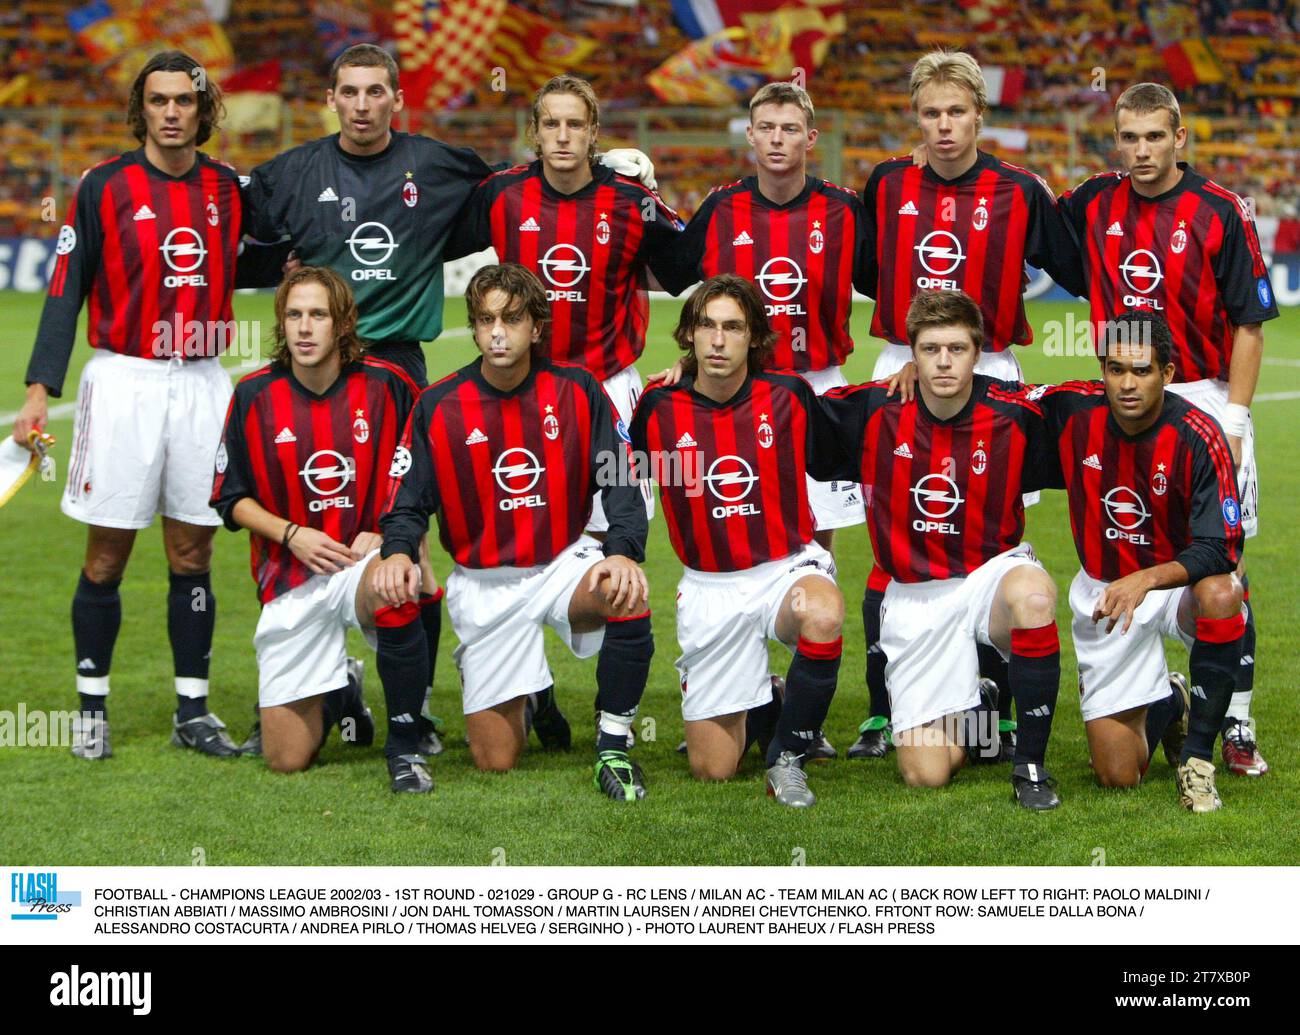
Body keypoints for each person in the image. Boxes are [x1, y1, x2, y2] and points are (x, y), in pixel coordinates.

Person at [244, 45, 654, 753]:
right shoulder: (291, 170)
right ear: (333, 98)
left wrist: (608, 171)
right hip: (311, 370)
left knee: (414, 534)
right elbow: (240, 248)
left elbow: (524, 188)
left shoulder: (438, 164)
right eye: (350, 91)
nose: (364, 103)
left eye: (377, 91)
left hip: (392, 369)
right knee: (319, 514)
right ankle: (324, 675)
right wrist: (278, 269)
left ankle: (421, 708)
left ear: (396, 99)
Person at [10, 50, 285, 761]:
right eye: (158, 100)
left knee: (192, 550)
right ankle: (91, 707)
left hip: (201, 381)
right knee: (107, 551)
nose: (171, 112)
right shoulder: (102, 185)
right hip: (124, 380)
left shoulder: (229, 188)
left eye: (184, 101)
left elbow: (247, 259)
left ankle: (192, 709)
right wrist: (41, 388)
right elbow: (66, 288)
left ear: (203, 110)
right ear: (142, 108)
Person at [850, 49, 1085, 762]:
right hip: (901, 363)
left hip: (990, 370)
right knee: (895, 538)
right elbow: (865, 268)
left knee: (991, 533)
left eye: (956, 112)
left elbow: (1074, 268)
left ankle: (998, 706)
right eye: (931, 113)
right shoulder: (887, 183)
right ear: (915, 118)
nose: (944, 126)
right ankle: (882, 707)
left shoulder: (1019, 188)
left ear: (979, 115)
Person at [446, 73, 683, 749]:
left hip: (609, 389)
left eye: (574, 124)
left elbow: (694, 266)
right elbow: (427, 236)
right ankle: (536, 685)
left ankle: (614, 721)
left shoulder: (630, 201)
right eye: (549, 123)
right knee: (527, 536)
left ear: (593, 133)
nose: (561, 136)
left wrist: (694, 355)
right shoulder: (502, 193)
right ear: (535, 130)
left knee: (621, 544)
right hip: (524, 396)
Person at [1058, 82, 1277, 777]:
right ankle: (1158, 694)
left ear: (1180, 137)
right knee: (1130, 544)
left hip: (1204, 398)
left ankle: (1235, 719)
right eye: (1130, 137)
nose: (1143, 150)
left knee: (1224, 570)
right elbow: (1028, 221)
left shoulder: (1220, 211)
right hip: (1123, 393)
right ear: (1116, 140)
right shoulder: (1093, 202)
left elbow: (1248, 321)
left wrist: (1234, 422)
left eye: (1156, 136)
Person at [376, 263, 653, 800]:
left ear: (537, 326)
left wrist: (621, 551)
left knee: (625, 595)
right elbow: (407, 502)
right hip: (485, 584)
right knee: (494, 760)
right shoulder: (437, 405)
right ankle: (536, 693)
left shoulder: (578, 390)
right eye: (484, 320)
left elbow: (621, 479)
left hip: (559, 565)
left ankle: (614, 746)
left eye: (511, 318)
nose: (497, 331)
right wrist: (396, 552)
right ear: (475, 329)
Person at [653, 81, 871, 758]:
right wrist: (687, 367)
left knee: (815, 546)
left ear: (812, 140)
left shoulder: (844, 209)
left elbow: (886, 279)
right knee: (729, 521)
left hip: (815, 386)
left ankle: (800, 692)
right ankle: (747, 680)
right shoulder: (721, 208)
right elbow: (672, 276)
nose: (777, 139)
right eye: (765, 128)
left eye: (790, 128)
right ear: (749, 138)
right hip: (731, 392)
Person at [820, 290, 1064, 809]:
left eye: (957, 348)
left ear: (979, 353)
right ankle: (980, 716)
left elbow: (1102, 403)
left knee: (1034, 598)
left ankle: (1032, 768)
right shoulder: (873, 409)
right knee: (924, 775)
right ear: (912, 354)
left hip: (988, 579)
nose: (945, 361)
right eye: (931, 349)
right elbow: (780, 404)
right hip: (914, 598)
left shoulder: (1017, 411)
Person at [210, 266, 437, 790]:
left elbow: (421, 480)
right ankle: (341, 692)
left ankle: (405, 743)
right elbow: (229, 497)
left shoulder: (388, 385)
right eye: (294, 315)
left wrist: (389, 537)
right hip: (291, 575)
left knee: (401, 574)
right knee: (286, 758)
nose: (304, 328)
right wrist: (292, 534)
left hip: (363, 563)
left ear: (342, 324)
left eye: (318, 315)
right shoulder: (252, 394)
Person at [631, 275, 846, 807]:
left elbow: (859, 428)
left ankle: (789, 758)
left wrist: (910, 371)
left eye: (733, 327)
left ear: (754, 338)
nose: (719, 340)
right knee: (713, 769)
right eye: (707, 327)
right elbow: (617, 474)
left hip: (785, 567)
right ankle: (773, 701)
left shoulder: (790, 396)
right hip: (710, 586)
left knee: (821, 614)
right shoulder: (658, 408)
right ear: (689, 336)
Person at [1033, 312, 1246, 811]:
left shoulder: (1199, 433)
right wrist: (913, 367)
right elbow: (987, 395)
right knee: (1117, 776)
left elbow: (1222, 548)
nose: (1127, 384)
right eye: (1115, 369)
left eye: (1142, 371)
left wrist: (1146, 580)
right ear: (1101, 369)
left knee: (1223, 593)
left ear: (1167, 374)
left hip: (1174, 586)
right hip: (1105, 592)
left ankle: (1196, 760)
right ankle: (1169, 703)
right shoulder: (1070, 409)